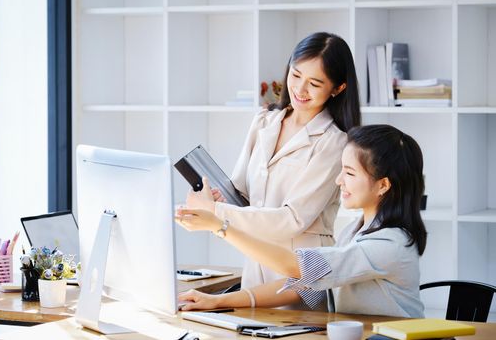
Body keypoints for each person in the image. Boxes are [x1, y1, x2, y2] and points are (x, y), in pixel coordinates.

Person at [176, 124, 428, 318]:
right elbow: (305, 286)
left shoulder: (389, 243)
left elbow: (298, 268)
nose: (339, 181)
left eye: (349, 173)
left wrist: (219, 226)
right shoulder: (356, 231)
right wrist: (218, 301)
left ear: (383, 185)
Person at [185, 32, 361, 290]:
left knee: (292, 328)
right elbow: (241, 191)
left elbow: (294, 219)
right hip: (256, 257)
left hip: (301, 267)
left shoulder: (334, 142)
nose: (299, 89)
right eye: (296, 74)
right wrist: (211, 196)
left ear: (338, 88)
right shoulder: (264, 121)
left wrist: (216, 214)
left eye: (314, 83)